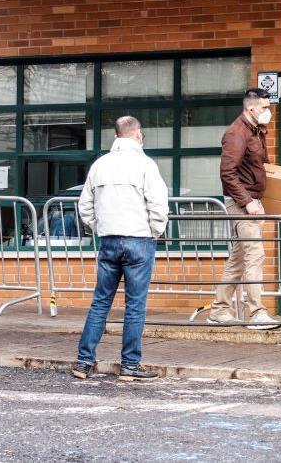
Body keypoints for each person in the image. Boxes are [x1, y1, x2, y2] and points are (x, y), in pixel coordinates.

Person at [71, 116, 168, 381]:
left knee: (100, 302)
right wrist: (154, 232)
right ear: (138, 135)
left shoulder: (99, 165)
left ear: (115, 137)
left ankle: (83, 362)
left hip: (109, 240)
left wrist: (99, 227)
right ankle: (130, 366)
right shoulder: (146, 165)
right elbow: (158, 205)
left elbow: (85, 206)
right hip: (139, 240)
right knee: (135, 306)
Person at [209, 88, 280, 330]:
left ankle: (219, 309)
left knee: (238, 258)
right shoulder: (236, 133)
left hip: (251, 201)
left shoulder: (254, 130)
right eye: (265, 107)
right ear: (251, 108)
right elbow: (227, 173)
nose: (268, 112)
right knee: (255, 254)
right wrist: (248, 201)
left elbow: (256, 166)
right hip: (243, 203)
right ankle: (257, 312)